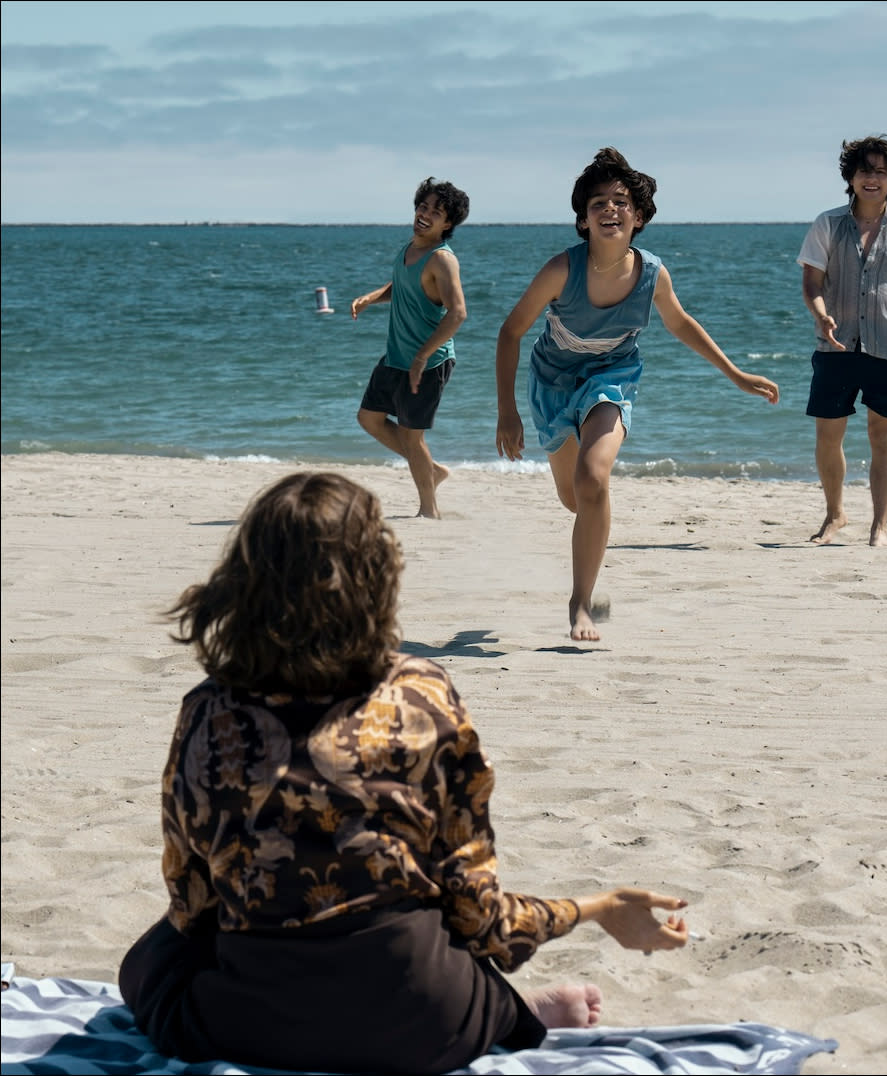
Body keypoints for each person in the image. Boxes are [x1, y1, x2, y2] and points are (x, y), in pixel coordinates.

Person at [118, 471, 689, 1075]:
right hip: (423, 1020)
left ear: (244, 582)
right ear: (378, 578)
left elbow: (191, 902)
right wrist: (599, 907)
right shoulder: (422, 694)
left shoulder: (209, 707)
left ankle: (501, 1008)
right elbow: (480, 917)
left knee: (149, 959)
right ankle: (512, 1011)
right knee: (430, 933)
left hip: (247, 1024)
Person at [495, 147, 780, 642]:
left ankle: (581, 604)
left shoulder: (651, 274)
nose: (610, 209)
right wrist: (507, 412)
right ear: (583, 221)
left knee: (593, 479)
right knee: (573, 498)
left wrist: (735, 374)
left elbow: (680, 323)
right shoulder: (562, 271)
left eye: (621, 201)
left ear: (639, 216)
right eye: (598, 203)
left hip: (612, 375)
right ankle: (589, 540)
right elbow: (510, 332)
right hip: (553, 383)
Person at [797, 133, 887, 547]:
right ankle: (834, 515)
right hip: (836, 347)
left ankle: (880, 525)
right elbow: (811, 281)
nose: (871, 179)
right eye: (863, 171)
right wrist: (821, 315)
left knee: (883, 434)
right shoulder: (827, 223)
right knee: (828, 434)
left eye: (880, 172)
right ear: (851, 177)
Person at [352, 177, 470, 519]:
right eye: (423, 206)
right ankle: (431, 470)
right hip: (397, 356)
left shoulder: (442, 260)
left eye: (437, 212)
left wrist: (422, 355)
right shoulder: (410, 248)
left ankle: (428, 509)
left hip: (429, 362)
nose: (425, 214)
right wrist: (372, 297)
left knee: (411, 435)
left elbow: (458, 312)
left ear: (448, 223)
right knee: (369, 419)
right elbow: (404, 284)